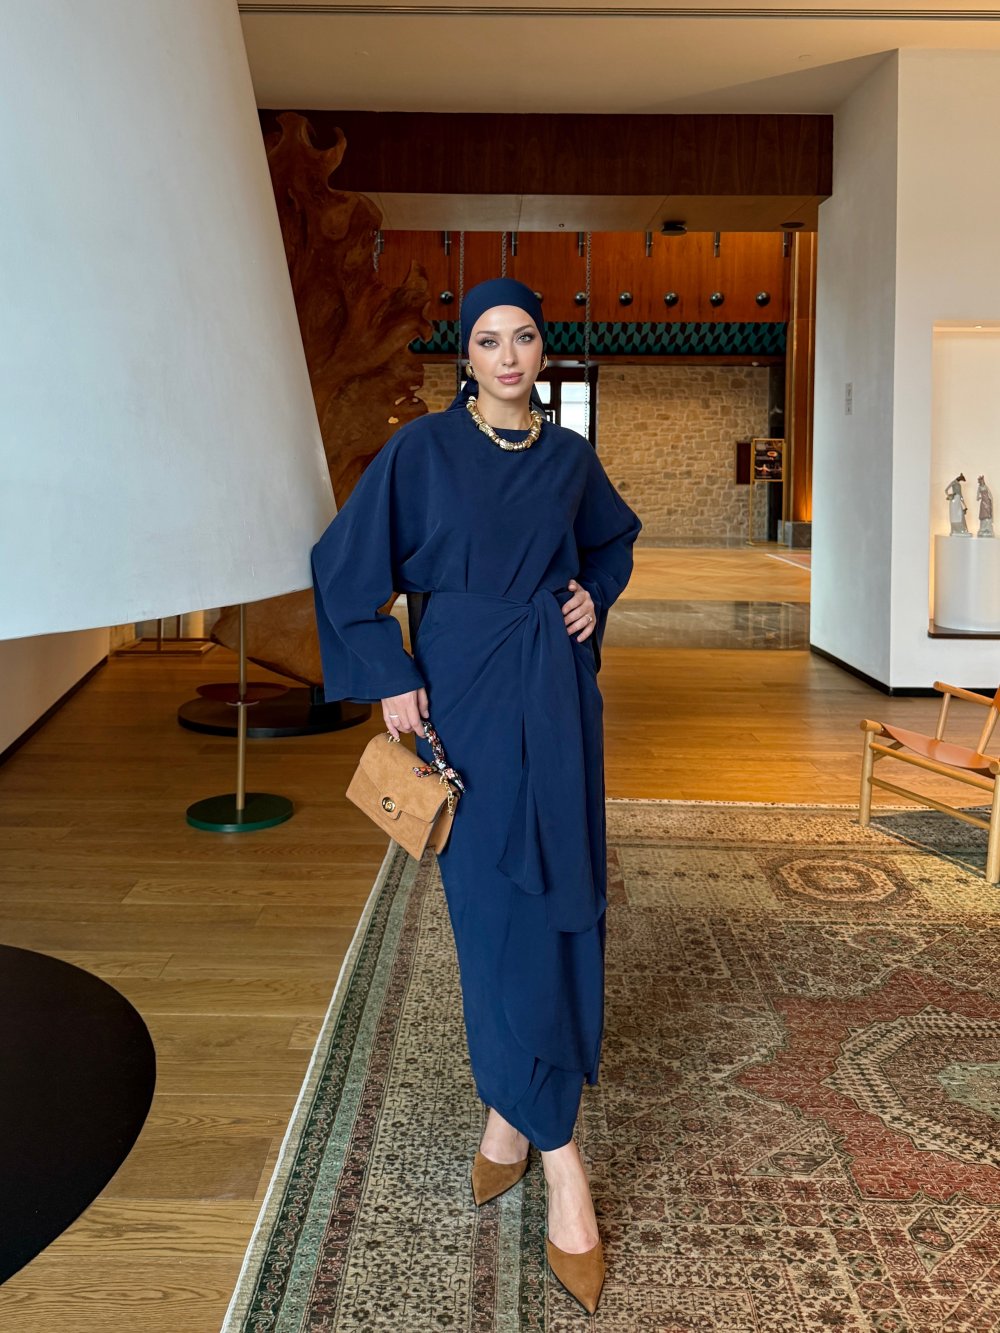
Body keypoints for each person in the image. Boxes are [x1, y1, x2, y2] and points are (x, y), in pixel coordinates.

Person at [310, 277, 642, 1315]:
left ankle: (511, 1116)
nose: (507, 355)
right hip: (461, 696)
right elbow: (341, 568)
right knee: (494, 915)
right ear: (466, 355)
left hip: (557, 697)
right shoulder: (420, 452)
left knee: (564, 900)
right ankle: (562, 1160)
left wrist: (592, 595)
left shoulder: (569, 458)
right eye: (488, 339)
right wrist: (388, 670)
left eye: (523, 337)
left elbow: (612, 540)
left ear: (543, 351)